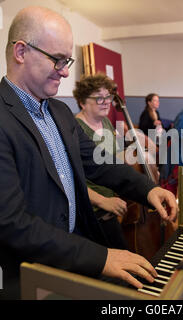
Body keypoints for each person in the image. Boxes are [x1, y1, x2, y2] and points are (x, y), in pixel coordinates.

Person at [0, 6, 177, 300]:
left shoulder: (58, 111)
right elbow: (10, 224)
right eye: (58, 60)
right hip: (12, 277)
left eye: (67, 60)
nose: (66, 71)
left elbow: (99, 163)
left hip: (61, 257)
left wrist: (148, 190)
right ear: (21, 52)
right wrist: (102, 258)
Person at [73, 73, 129, 250]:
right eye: (99, 98)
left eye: (108, 97)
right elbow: (71, 179)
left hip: (111, 206)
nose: (106, 102)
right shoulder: (75, 130)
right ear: (82, 102)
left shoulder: (106, 123)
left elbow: (114, 159)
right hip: (92, 212)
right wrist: (101, 201)